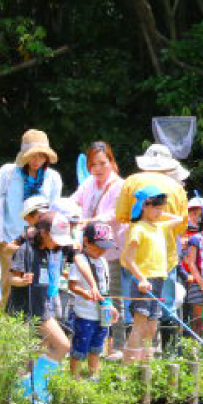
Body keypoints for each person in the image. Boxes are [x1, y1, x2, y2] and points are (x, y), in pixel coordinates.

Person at [7, 213, 98, 400]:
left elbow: (78, 259)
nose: (58, 243)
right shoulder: (26, 250)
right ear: (44, 233)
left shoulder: (56, 248)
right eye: (56, 238)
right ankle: (25, 391)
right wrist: (22, 280)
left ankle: (34, 388)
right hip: (23, 310)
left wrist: (93, 285)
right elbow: (10, 278)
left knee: (61, 346)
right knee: (24, 355)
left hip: (42, 308)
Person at [116, 143, 189, 351]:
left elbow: (122, 216)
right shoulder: (176, 187)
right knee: (162, 311)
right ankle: (165, 354)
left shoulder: (131, 181)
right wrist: (159, 217)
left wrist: (143, 214)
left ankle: (139, 356)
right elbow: (182, 224)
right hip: (165, 259)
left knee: (137, 314)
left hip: (137, 254)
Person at [0, 129, 63, 310]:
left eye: (42, 156)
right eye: (32, 155)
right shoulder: (8, 173)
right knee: (7, 288)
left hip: (38, 242)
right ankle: (6, 333)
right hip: (10, 241)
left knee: (37, 290)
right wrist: (1, 240)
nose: (37, 160)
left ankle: (31, 333)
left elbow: (54, 211)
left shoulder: (53, 178)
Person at [72, 141, 125, 355]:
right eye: (93, 164)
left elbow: (115, 214)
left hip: (109, 250)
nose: (98, 168)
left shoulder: (120, 185)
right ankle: (96, 348)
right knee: (90, 296)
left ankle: (117, 346)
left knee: (112, 296)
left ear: (111, 162)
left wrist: (89, 221)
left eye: (103, 163)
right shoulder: (89, 183)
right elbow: (75, 201)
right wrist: (73, 216)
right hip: (87, 250)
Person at [121, 187, 184, 361]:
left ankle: (145, 367)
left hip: (158, 280)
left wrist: (159, 212)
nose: (159, 212)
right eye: (155, 207)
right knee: (140, 325)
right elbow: (128, 258)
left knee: (151, 326)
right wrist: (141, 278)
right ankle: (128, 370)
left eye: (161, 207)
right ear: (143, 206)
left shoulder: (158, 227)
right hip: (144, 281)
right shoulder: (138, 229)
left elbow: (179, 219)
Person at [67, 223, 119, 379]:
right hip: (85, 314)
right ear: (86, 241)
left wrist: (111, 307)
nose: (102, 250)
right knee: (80, 347)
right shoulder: (80, 261)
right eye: (98, 246)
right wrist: (84, 293)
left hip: (103, 313)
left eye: (105, 247)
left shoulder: (103, 262)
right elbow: (72, 285)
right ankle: (74, 377)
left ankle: (93, 376)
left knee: (97, 347)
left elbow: (106, 289)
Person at [182, 197, 203, 336]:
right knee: (197, 319)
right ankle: (194, 347)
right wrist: (202, 284)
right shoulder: (196, 239)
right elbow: (191, 262)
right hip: (199, 282)